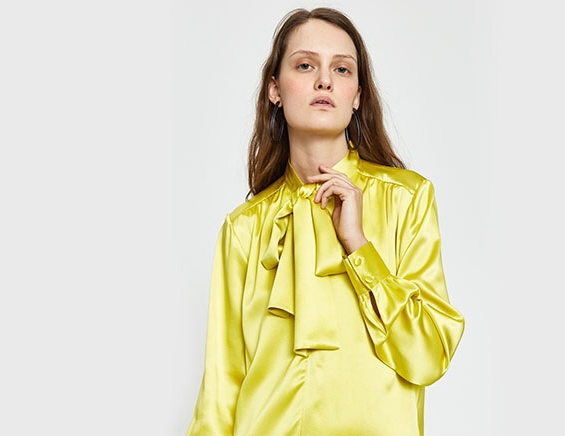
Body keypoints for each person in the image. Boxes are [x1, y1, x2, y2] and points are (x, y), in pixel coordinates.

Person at [186, 7, 464, 436]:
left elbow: (428, 355)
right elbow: (221, 393)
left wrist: (359, 247)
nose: (324, 81)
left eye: (341, 69)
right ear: (275, 89)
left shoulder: (407, 199)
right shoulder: (243, 228)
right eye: (305, 65)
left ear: (357, 96)